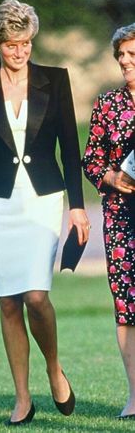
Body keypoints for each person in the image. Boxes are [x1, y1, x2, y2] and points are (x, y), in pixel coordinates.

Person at [0, 0, 90, 426]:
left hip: (44, 199)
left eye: (27, 42)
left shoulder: (55, 80)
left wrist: (78, 207)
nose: (21, 51)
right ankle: (22, 397)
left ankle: (54, 368)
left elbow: (70, 146)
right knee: (8, 303)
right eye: (13, 44)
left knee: (35, 296)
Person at [82, 23, 135, 420]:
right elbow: (91, 159)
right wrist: (111, 178)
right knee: (127, 307)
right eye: (120, 56)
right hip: (121, 218)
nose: (125, 62)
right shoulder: (107, 105)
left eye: (132, 54)